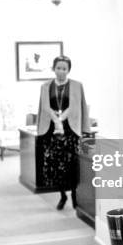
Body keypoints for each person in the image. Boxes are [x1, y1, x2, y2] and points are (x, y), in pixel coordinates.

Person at [37, 55, 90, 210]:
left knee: (72, 165)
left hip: (70, 131)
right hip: (52, 131)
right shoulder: (45, 86)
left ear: (68, 70)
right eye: (58, 68)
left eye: (64, 68)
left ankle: (74, 195)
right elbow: (44, 107)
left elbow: (78, 106)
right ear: (54, 68)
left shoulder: (77, 85)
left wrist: (63, 119)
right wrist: (56, 119)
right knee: (55, 166)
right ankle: (62, 195)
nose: (61, 71)